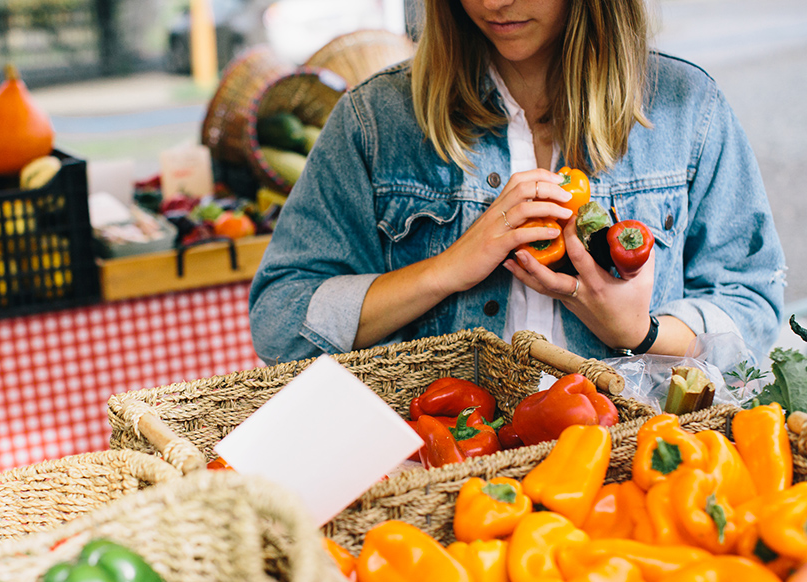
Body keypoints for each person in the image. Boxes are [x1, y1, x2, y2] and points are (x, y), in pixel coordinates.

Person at [248, 0, 786, 367]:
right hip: (441, 467)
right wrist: (444, 271)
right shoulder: (375, 120)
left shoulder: (688, 107)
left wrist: (637, 332)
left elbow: (754, 308)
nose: (494, 1)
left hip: (630, 467)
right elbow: (280, 320)